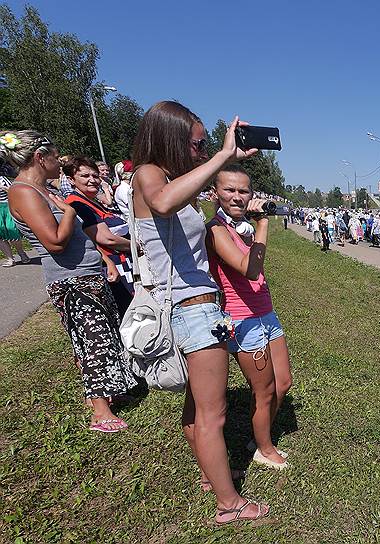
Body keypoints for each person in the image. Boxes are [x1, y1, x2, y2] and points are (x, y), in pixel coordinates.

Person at [131, 102, 269, 523]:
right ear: (170, 137)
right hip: (191, 309)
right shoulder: (148, 174)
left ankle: (214, 477)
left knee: (197, 407)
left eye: (205, 143)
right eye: (196, 143)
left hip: (196, 306)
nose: (201, 149)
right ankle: (229, 503)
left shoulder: (169, 177)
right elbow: (163, 202)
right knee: (214, 412)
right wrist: (222, 157)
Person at [5, 130, 136, 433]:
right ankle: (100, 412)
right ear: (40, 158)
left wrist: (103, 260)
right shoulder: (23, 191)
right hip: (71, 280)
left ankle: (110, 392)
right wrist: (68, 210)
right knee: (93, 340)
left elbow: (79, 236)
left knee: (104, 335)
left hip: (86, 274)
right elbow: (54, 242)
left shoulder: (41, 189)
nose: (58, 160)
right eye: (54, 155)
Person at [206, 164, 293, 472]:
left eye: (244, 191)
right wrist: (263, 226)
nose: (237, 196)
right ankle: (264, 448)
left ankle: (260, 436)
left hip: (265, 312)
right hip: (243, 320)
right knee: (264, 390)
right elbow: (249, 269)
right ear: (215, 193)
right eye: (230, 190)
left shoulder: (243, 228)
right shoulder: (216, 229)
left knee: (283, 383)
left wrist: (255, 227)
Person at [63, 156, 134, 317]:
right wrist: (138, 248)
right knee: (127, 313)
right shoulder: (77, 204)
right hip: (112, 269)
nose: (92, 180)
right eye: (85, 176)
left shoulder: (91, 201)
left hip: (122, 266)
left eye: (95, 175)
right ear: (71, 180)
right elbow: (106, 238)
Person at [0, 168, 31, 267]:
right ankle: (10, 259)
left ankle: (21, 253)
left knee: (12, 231)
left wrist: (2, 187)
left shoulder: (2, 179)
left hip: (6, 207)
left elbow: (13, 190)